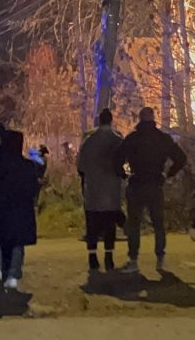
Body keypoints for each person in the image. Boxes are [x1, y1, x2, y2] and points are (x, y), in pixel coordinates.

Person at [114, 107, 187, 273]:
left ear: (140, 119)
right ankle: (160, 259)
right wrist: (167, 174)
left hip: (137, 182)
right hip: (155, 183)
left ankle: (133, 260)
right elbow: (181, 158)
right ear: (153, 119)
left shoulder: (132, 138)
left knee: (134, 223)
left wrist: (124, 175)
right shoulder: (162, 138)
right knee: (158, 223)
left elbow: (117, 158)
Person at [0, 128, 40, 290]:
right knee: (17, 243)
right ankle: (13, 274)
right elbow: (33, 188)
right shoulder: (27, 165)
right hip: (20, 209)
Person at [77, 108, 124, 272]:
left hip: (93, 190)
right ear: (111, 121)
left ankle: (92, 257)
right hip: (111, 190)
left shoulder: (88, 141)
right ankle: (109, 257)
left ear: (99, 121)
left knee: (92, 224)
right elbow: (122, 164)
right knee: (110, 224)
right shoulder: (117, 140)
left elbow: (81, 166)